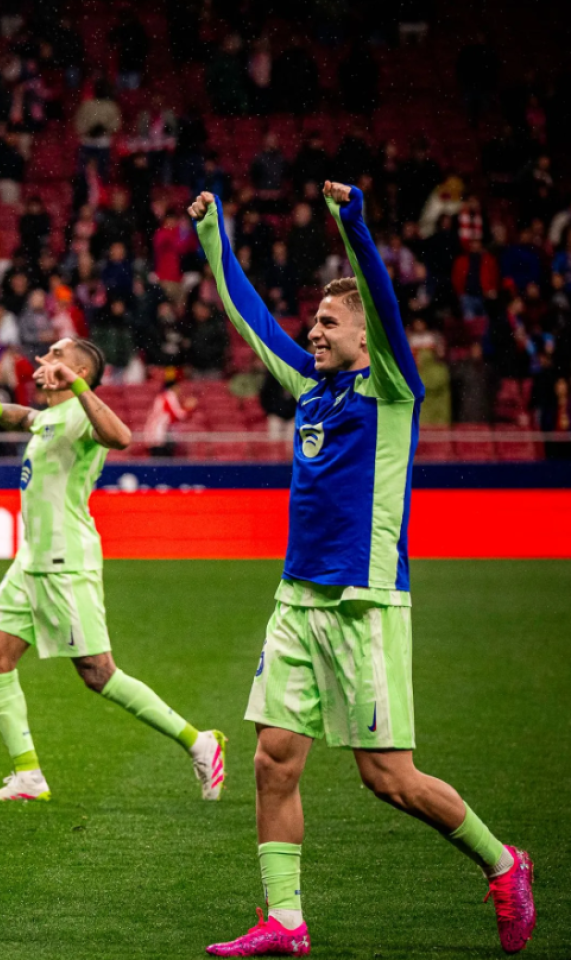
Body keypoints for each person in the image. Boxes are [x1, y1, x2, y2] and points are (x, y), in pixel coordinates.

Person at [192, 184, 535, 957]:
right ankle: (285, 919)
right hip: (296, 601)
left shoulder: (392, 391)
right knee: (272, 761)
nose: (312, 331)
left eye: (328, 322)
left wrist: (353, 228)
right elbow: (251, 321)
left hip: (363, 603)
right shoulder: (313, 391)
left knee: (389, 779)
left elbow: (378, 300)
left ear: (364, 337)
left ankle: (503, 862)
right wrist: (217, 242)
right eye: (314, 320)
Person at [0, 339, 227, 806]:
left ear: (78, 369)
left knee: (98, 674)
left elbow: (122, 437)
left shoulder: (83, 412)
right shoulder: (48, 417)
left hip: (67, 562)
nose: (42, 361)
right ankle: (28, 776)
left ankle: (199, 742)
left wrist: (78, 384)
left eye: (54, 356)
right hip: (31, 561)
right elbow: (23, 418)